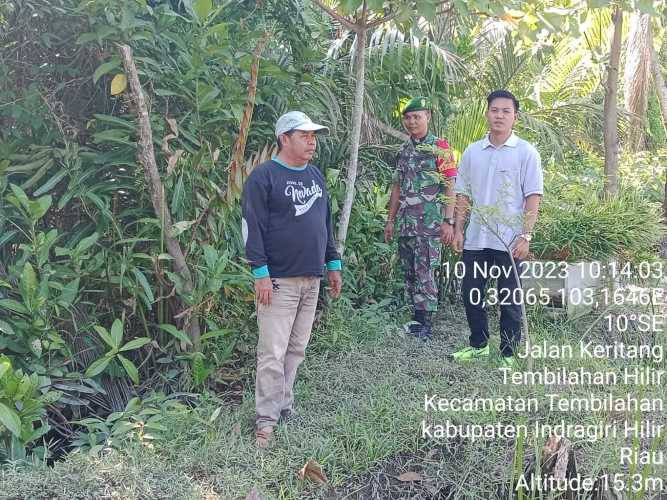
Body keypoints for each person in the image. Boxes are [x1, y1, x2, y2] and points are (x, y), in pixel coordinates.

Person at [241, 111, 343, 447]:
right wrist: (260, 273)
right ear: (285, 138)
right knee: (272, 351)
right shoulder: (263, 178)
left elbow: (324, 223)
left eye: (314, 135)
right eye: (304, 135)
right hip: (278, 281)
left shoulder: (315, 176)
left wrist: (333, 263)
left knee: (296, 349)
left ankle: (284, 406)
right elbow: (251, 228)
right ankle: (265, 422)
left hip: (311, 279)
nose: (312, 141)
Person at [452, 90, 543, 367]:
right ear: (487, 113)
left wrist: (525, 236)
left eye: (506, 111)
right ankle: (478, 345)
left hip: (509, 242)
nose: (499, 115)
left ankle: (508, 353)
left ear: (515, 116)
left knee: (509, 300)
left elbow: (533, 197)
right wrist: (458, 229)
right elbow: (463, 194)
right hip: (476, 239)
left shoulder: (526, 153)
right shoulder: (472, 152)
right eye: (494, 110)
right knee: (472, 294)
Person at [384, 96, 457, 338]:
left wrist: (448, 221)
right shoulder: (404, 150)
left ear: (428, 117)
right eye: (408, 117)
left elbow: (449, 185)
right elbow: (397, 187)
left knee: (425, 271)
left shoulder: (440, 147)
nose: (412, 121)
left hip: (430, 224)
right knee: (410, 271)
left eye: (417, 116)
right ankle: (415, 317)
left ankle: (424, 323)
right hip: (406, 223)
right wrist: (391, 220)